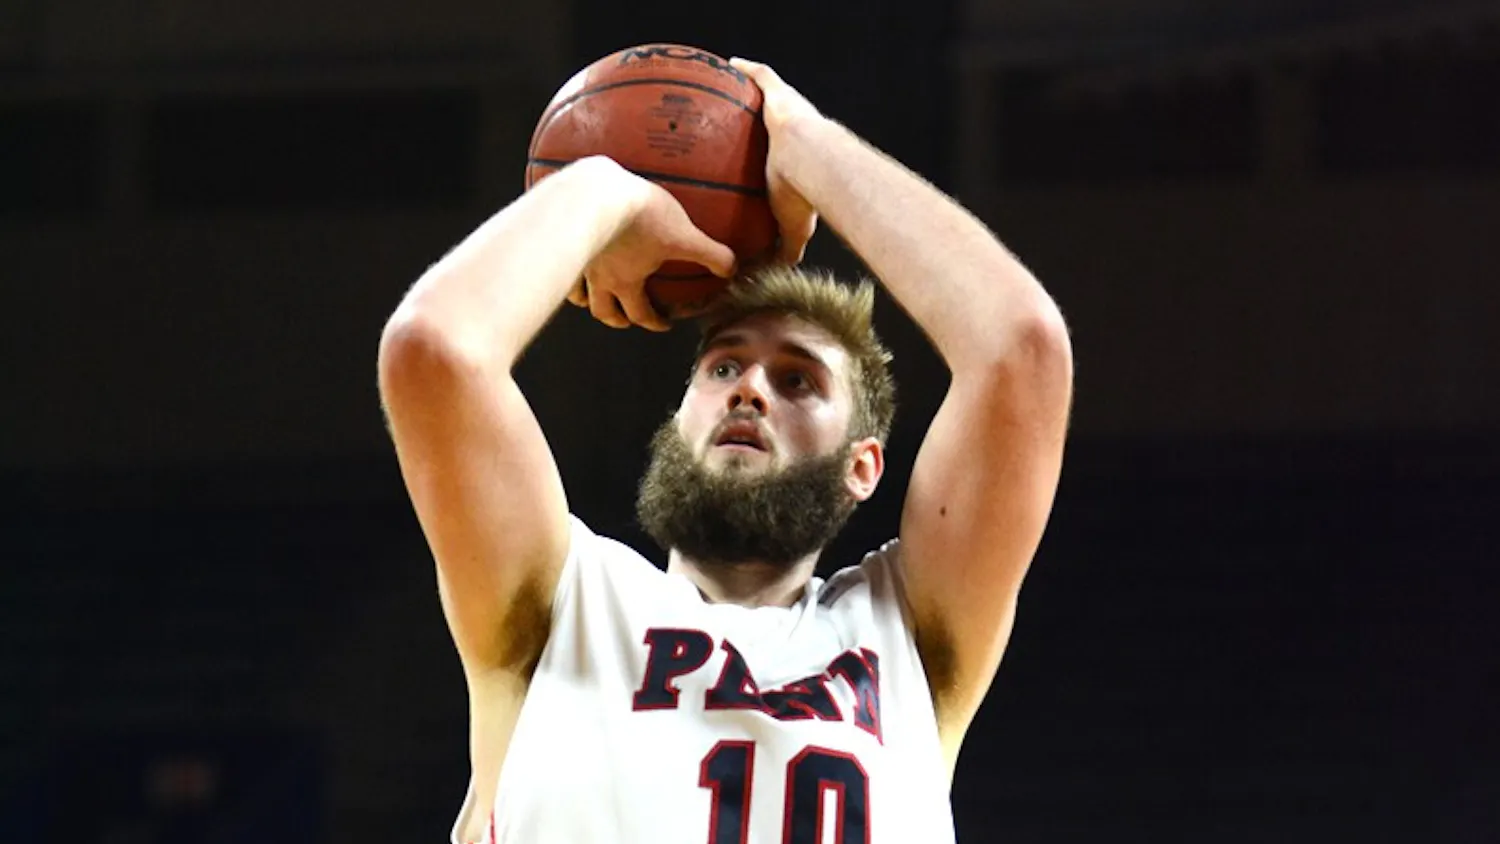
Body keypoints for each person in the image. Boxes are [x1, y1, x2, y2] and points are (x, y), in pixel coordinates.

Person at [377, 56, 1073, 844]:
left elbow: (1022, 353)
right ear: (676, 418)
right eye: (723, 366)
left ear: (863, 464)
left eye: (799, 381)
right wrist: (609, 189)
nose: (749, 390)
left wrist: (804, 144)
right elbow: (434, 351)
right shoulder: (558, 597)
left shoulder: (906, 634)